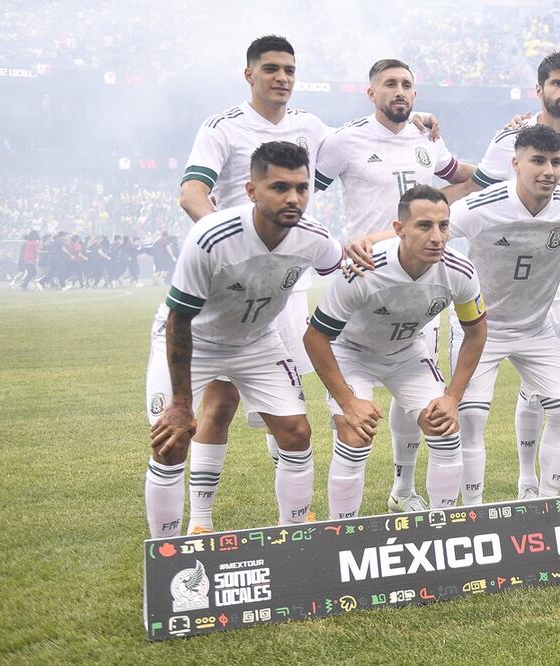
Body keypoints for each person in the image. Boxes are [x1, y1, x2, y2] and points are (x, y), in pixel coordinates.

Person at [144, 141, 343, 538]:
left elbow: (342, 261)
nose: (293, 198)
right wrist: (182, 403)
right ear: (252, 191)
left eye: (302, 188)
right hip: (193, 339)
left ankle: (294, 541)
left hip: (256, 342)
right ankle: (167, 552)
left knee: (296, 433)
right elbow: (180, 319)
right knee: (171, 441)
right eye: (280, 187)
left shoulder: (314, 237)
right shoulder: (211, 236)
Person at [177, 35, 331, 532]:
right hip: (231, 285)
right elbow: (192, 192)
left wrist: (416, 124)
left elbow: (364, 143)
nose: (281, 77)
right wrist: (226, 244)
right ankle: (200, 519)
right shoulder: (222, 127)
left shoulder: (309, 125)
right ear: (250, 75)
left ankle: (293, 513)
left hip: (285, 285)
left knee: (286, 405)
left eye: (288, 68)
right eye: (270, 69)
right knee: (220, 402)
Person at [314, 58, 476, 513]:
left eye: (407, 84)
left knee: (423, 413)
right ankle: (340, 526)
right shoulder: (345, 140)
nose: (399, 91)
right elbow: (306, 193)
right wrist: (338, 246)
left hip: (419, 286)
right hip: (367, 278)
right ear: (372, 94)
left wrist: (515, 157)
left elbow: (462, 176)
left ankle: (405, 493)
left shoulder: (426, 140)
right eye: (389, 84)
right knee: (356, 424)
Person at [467, 52, 560, 497]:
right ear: (540, 90)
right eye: (557, 83)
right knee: (530, 392)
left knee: (559, 390)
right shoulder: (507, 139)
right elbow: (480, 203)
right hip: (511, 287)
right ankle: (528, 480)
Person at [303, 185, 487, 518]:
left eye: (444, 226)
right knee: (354, 432)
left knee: (444, 426)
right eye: (424, 226)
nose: (437, 237)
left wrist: (452, 398)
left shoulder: (460, 271)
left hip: (406, 353)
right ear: (399, 229)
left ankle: (442, 525)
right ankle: (341, 532)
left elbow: (476, 332)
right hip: (351, 353)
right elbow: (315, 337)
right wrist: (348, 401)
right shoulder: (364, 268)